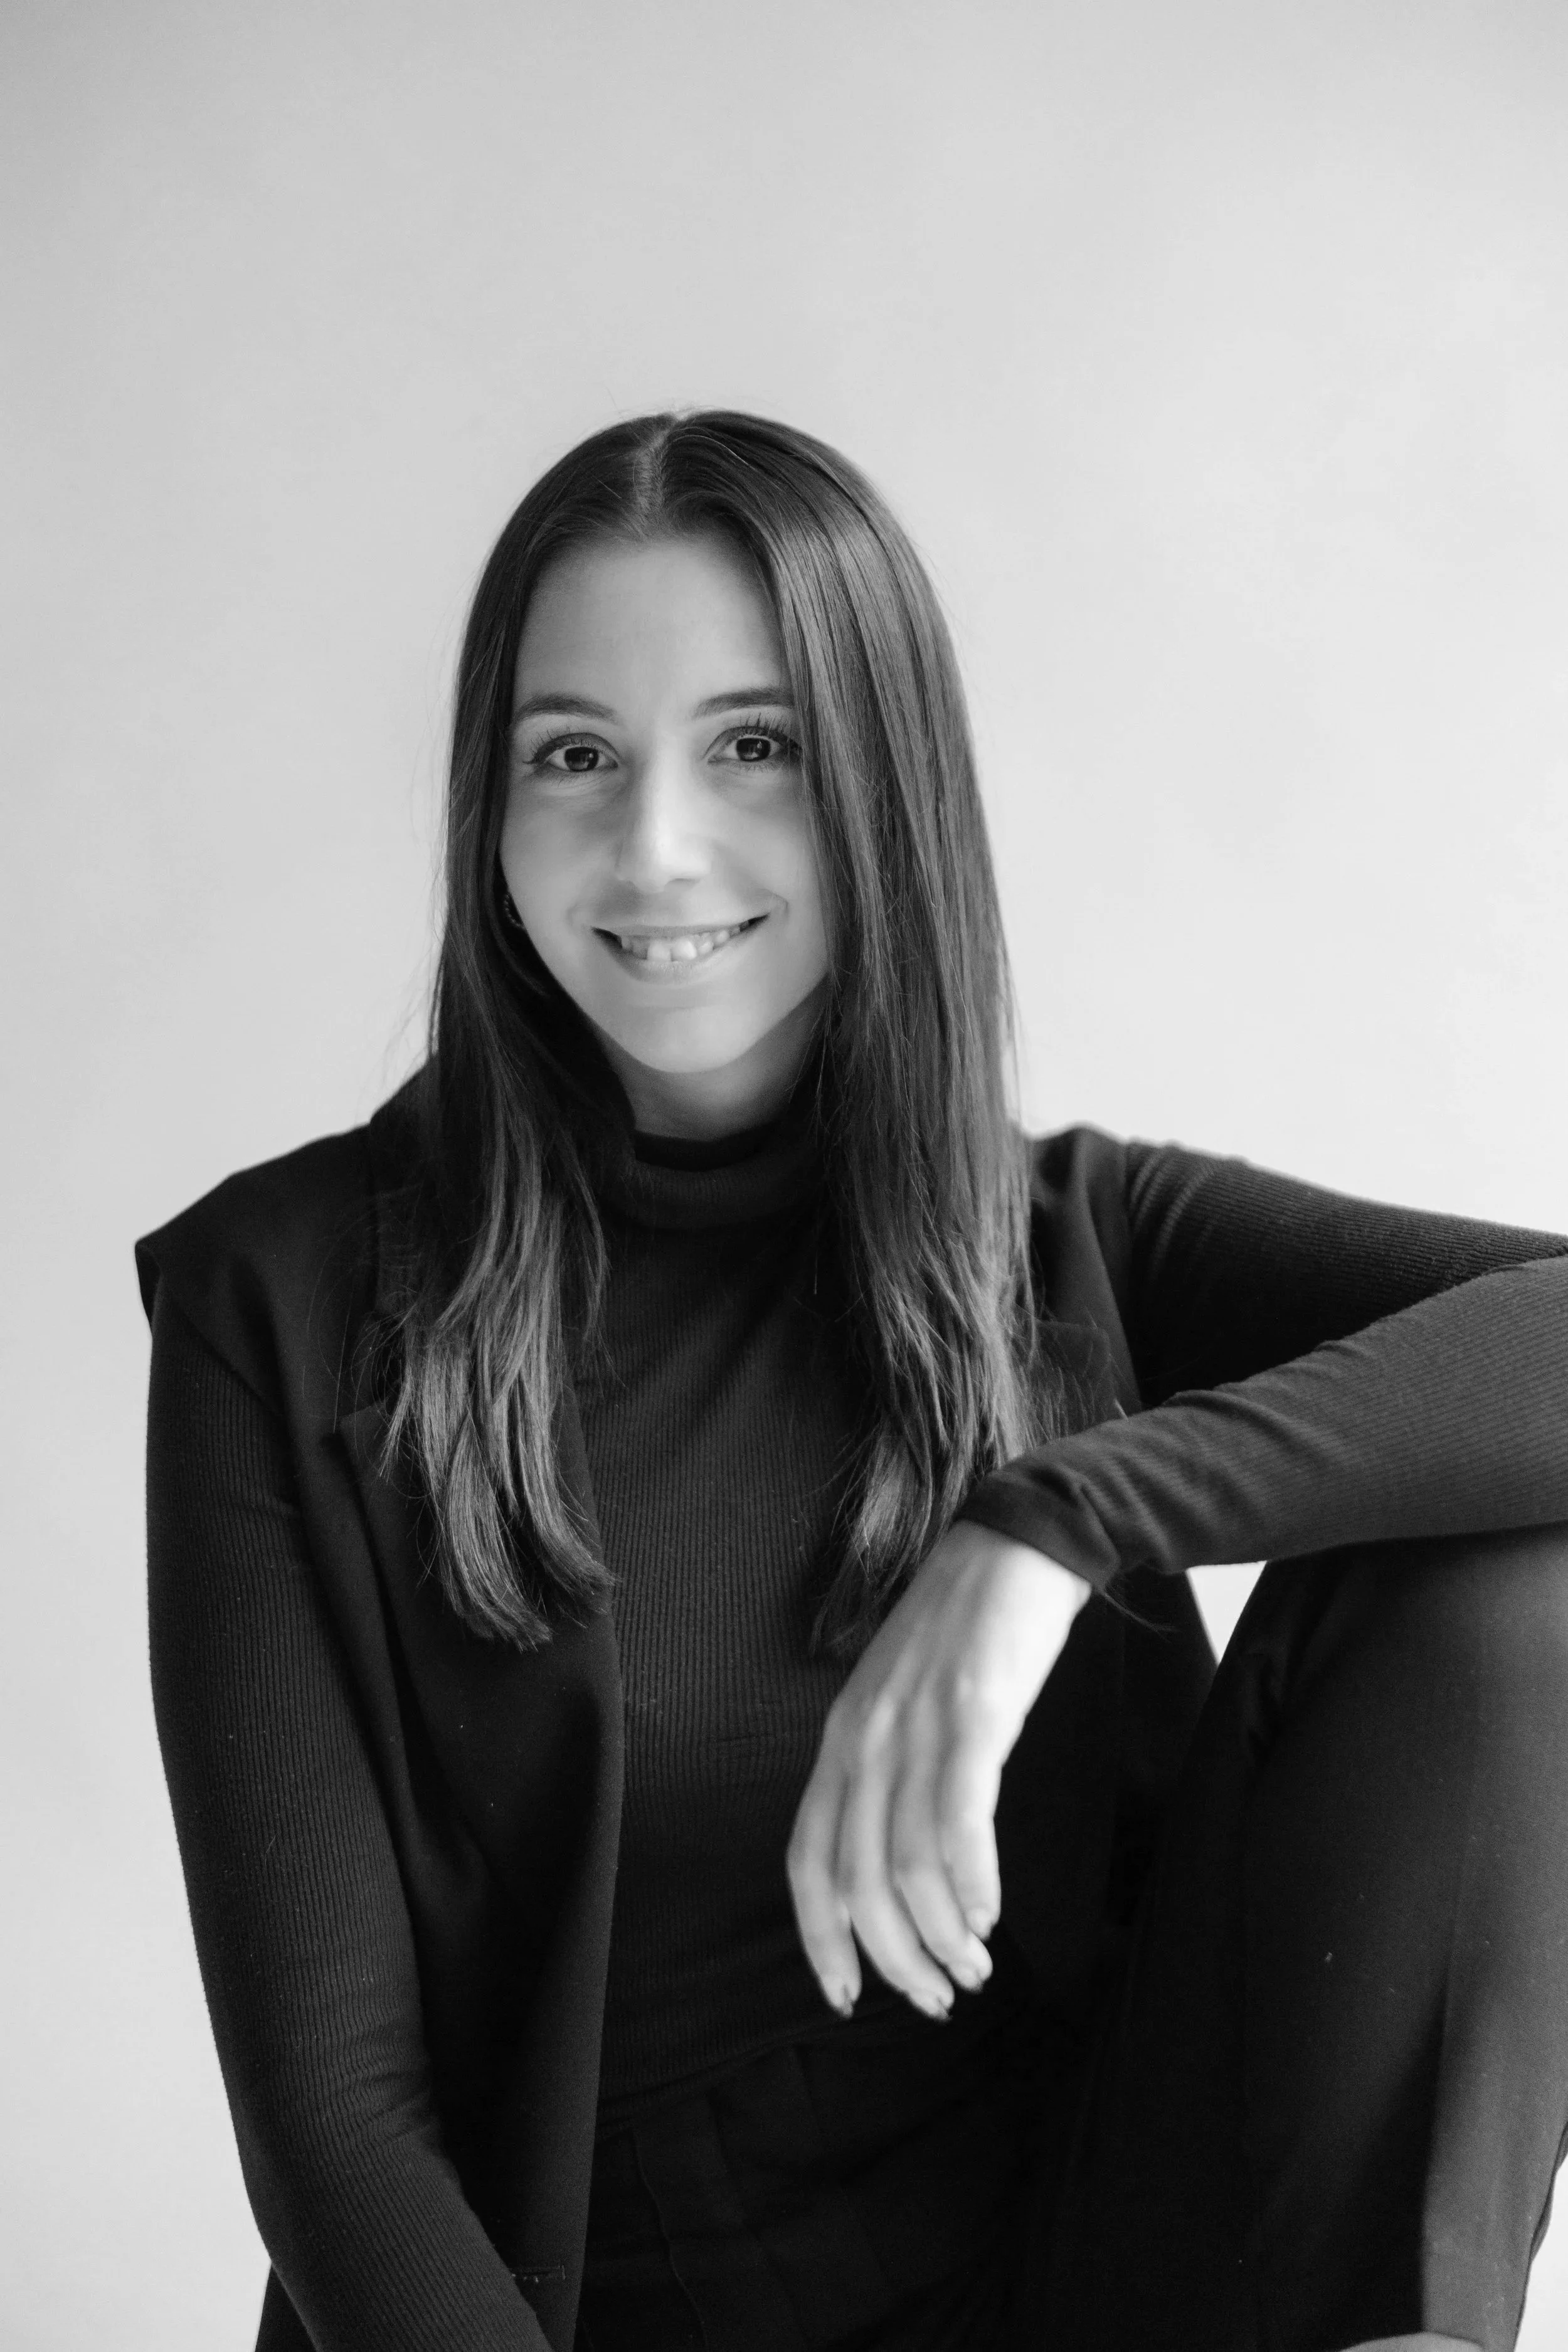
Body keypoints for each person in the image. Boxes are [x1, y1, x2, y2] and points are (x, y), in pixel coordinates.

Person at [138, 409, 1568, 2352]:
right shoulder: (283, 1298)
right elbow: (336, 2123)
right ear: (490, 809)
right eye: (574, 756)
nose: (654, 848)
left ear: (878, 784)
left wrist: (1061, 1512)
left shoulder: (1066, 1235)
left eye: (755, 747)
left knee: (1509, 1565)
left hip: (1106, 2279)